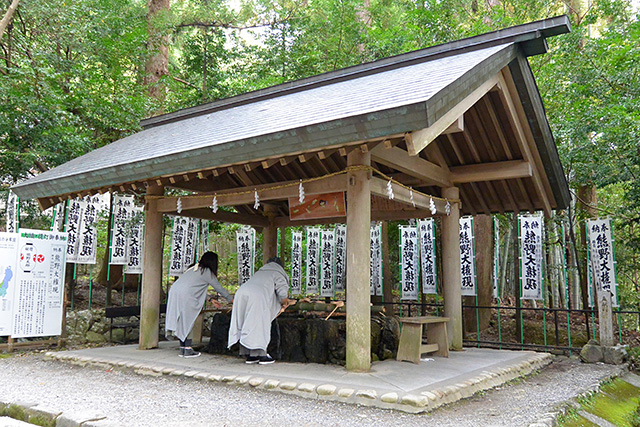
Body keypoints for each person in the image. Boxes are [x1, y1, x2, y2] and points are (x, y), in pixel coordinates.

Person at [228, 257, 294, 364]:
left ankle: (250, 355)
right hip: (257, 296)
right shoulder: (277, 273)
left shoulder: (261, 272)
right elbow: (282, 292)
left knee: (246, 323)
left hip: (241, 293)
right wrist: (285, 303)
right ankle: (261, 355)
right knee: (259, 324)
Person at [166, 251, 232, 358]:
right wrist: (232, 300)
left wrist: (210, 299)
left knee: (181, 320)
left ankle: (183, 348)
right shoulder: (206, 272)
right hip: (186, 295)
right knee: (188, 319)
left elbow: (194, 287)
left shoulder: (193, 268)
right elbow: (219, 288)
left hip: (174, 292)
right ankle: (187, 349)